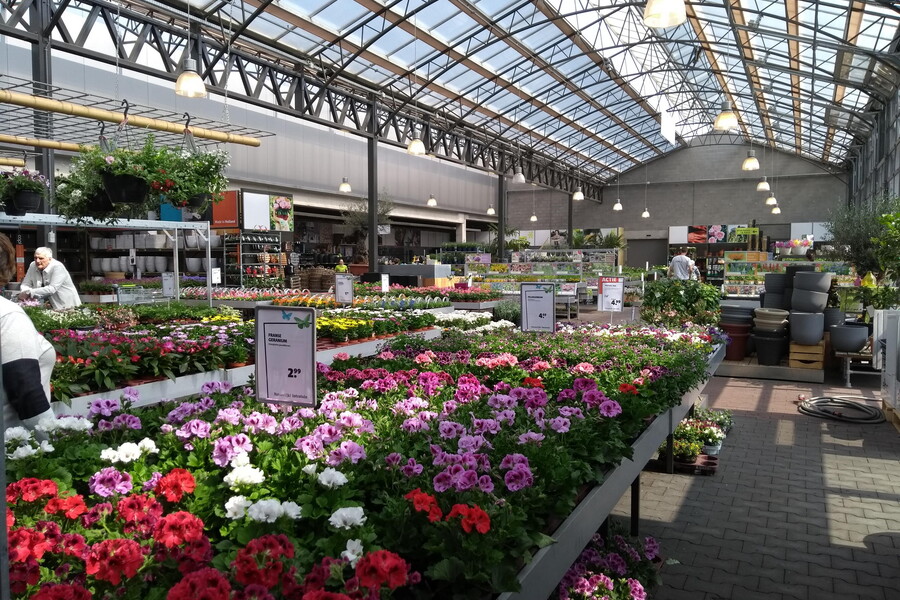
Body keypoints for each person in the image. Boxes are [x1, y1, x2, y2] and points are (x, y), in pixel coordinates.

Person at [0, 234, 55, 430]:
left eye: (41, 258)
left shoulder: (57, 268)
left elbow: (54, 287)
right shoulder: (8, 315)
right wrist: (58, 445)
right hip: (13, 446)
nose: (37, 261)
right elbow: (26, 391)